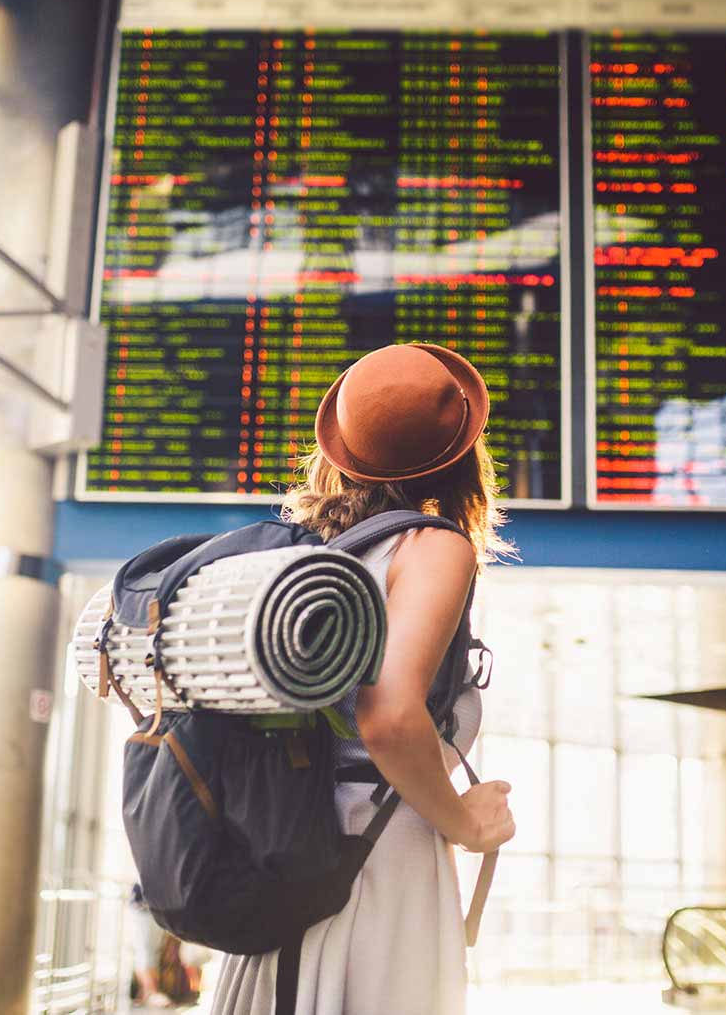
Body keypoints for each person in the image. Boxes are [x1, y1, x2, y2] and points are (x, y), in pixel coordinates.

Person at [212, 342, 517, 1015]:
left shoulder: (309, 558)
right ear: (464, 454)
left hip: (288, 863)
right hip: (373, 875)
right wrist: (464, 821)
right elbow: (388, 714)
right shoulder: (434, 546)